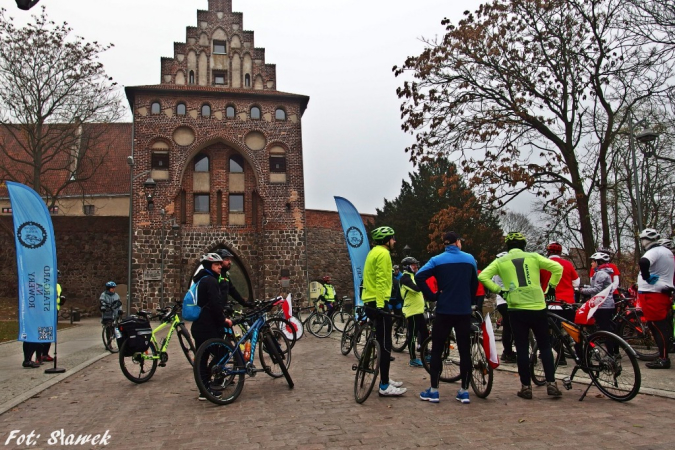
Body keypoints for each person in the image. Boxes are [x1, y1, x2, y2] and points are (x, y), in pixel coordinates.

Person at [479, 232, 564, 399]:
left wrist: (500, 290)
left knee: (522, 347)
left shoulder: (500, 261)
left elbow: (483, 276)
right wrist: (551, 287)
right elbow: (557, 267)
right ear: (523, 245)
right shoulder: (533, 257)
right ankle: (551, 383)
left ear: (508, 247)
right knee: (545, 345)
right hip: (537, 305)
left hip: (516, 306)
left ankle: (526, 387)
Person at [416, 231, 477, 404]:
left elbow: (419, 276)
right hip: (463, 311)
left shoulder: (437, 260)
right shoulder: (469, 259)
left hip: (444, 310)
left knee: (436, 349)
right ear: (457, 242)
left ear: (444, 244)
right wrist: (469, 299)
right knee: (465, 351)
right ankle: (464, 391)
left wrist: (433, 295)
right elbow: (474, 283)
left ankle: (434, 391)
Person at [361, 226, 406, 396]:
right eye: (393, 238)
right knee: (386, 345)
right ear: (386, 240)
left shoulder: (373, 252)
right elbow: (381, 281)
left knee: (379, 340)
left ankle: (384, 378)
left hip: (369, 300)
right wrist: (381, 306)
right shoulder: (384, 254)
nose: (394, 241)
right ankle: (385, 385)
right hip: (378, 302)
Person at [191, 253, 230, 400]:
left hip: (199, 325)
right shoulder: (211, 281)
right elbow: (215, 305)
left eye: (221, 264)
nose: (220, 266)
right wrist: (224, 320)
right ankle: (211, 383)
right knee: (224, 352)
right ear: (209, 266)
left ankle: (204, 390)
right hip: (208, 326)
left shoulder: (200, 280)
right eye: (217, 264)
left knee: (202, 358)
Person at [636, 229, 675, 369]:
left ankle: (663, 359)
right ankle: (663, 356)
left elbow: (644, 261)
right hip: (662, 292)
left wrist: (646, 277)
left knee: (658, 326)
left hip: (652, 293)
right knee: (661, 326)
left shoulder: (654, 251)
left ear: (645, 240)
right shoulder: (667, 252)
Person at [540, 242, 580, 365]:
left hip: (551, 303)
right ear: (560, 252)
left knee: (551, 331)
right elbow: (576, 283)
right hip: (568, 303)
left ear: (548, 252)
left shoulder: (543, 265)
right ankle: (581, 356)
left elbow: (538, 283)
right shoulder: (568, 264)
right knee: (575, 331)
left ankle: (561, 356)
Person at [580, 252, 616, 353]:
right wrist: (586, 287)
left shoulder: (600, 273)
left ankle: (610, 353)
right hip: (606, 304)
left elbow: (596, 289)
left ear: (598, 262)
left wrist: (582, 291)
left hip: (602, 305)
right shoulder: (604, 273)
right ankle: (613, 352)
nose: (591, 264)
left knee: (605, 330)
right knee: (607, 329)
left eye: (593, 261)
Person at [399, 257, 428, 367]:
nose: (416, 267)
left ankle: (425, 353)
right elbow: (416, 289)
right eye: (413, 265)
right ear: (407, 266)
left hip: (419, 310)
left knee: (425, 333)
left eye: (416, 264)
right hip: (412, 311)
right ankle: (413, 358)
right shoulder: (405, 278)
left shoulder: (413, 276)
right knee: (413, 335)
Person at [492, 252, 517, 363]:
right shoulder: (511, 270)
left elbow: (492, 284)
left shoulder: (496, 271)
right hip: (512, 301)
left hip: (500, 302)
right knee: (514, 327)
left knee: (507, 327)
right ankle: (509, 352)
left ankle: (507, 352)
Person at [39, 271, 64, 363]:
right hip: (45, 311)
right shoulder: (43, 285)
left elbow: (58, 297)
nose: (57, 278)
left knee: (50, 333)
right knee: (44, 333)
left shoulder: (58, 286)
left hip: (54, 311)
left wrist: (61, 301)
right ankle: (40, 354)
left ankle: (45, 353)